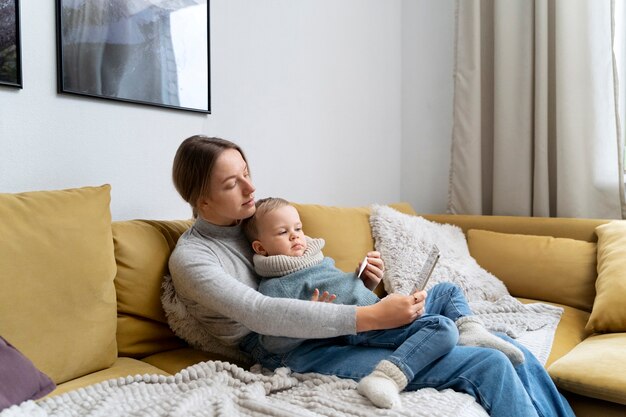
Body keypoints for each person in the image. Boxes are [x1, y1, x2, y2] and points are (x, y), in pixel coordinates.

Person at [164, 135, 575, 417]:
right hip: (288, 350)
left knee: (500, 343)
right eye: (233, 183)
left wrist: (360, 287)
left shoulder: (255, 221)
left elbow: (310, 288)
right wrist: (372, 316)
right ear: (202, 200)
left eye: (248, 172)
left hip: (332, 327)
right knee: (487, 365)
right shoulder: (195, 258)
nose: (250, 188)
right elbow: (261, 311)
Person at [242, 197, 525, 408]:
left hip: (375, 310)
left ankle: (473, 332)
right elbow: (273, 339)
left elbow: (342, 293)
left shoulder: (314, 261)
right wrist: (312, 317)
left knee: (448, 291)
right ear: (260, 247)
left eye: (299, 228)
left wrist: (363, 281)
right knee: (441, 328)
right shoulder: (276, 285)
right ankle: (389, 376)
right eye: (283, 232)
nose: (296, 236)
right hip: (362, 329)